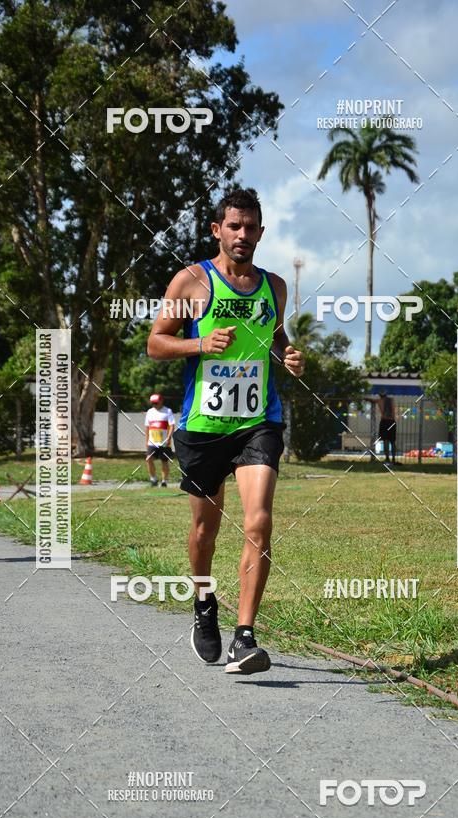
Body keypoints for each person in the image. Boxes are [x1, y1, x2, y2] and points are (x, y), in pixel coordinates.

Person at [147, 187, 304, 675]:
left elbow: (276, 339)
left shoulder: (274, 286)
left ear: (261, 232)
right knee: (204, 530)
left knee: (259, 519)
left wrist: (288, 356)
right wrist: (199, 344)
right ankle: (203, 603)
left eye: (250, 227)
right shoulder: (192, 282)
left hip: (258, 421)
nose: (242, 235)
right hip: (204, 426)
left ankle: (245, 637)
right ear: (217, 230)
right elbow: (156, 343)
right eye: (233, 226)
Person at [144, 393, 175, 486]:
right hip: (152, 442)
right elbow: (147, 427)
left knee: (164, 461)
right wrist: (146, 441)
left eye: (156, 403)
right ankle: (153, 479)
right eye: (153, 403)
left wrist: (169, 437)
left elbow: (172, 425)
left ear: (161, 401)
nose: (155, 405)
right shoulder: (150, 412)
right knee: (148, 459)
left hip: (164, 443)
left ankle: (164, 481)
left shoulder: (168, 411)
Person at [377, 390, 397, 465]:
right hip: (391, 421)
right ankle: (392, 458)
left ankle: (388, 458)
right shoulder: (391, 400)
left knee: (386, 441)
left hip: (385, 421)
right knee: (392, 441)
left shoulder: (379, 400)